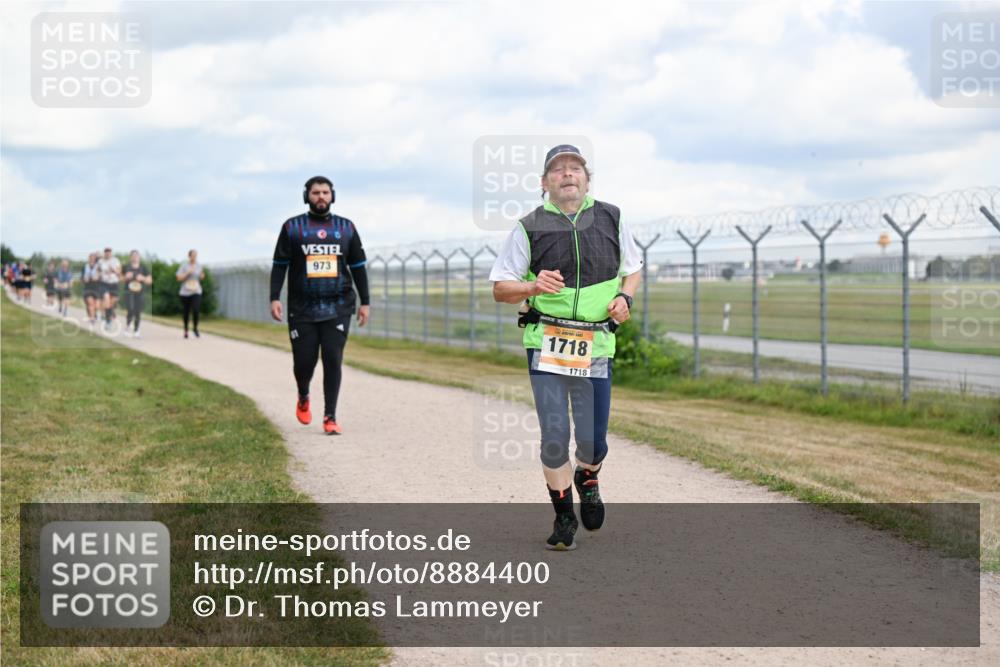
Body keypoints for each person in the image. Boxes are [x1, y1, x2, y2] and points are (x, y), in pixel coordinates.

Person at [490, 144, 642, 551]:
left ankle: (587, 477)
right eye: (558, 170)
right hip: (546, 342)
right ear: (545, 182)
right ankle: (563, 516)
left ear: (587, 180)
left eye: (576, 168)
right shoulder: (528, 227)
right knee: (554, 435)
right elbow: (500, 289)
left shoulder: (612, 217)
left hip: (596, 343)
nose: (568, 174)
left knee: (593, 441)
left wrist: (625, 297)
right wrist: (532, 286)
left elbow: (632, 270)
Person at [270, 175, 370, 435]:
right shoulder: (292, 227)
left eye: (325, 192)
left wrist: (365, 302)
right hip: (302, 307)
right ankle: (303, 394)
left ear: (332, 195)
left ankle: (330, 416)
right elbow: (279, 266)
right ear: (307, 196)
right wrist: (274, 297)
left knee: (333, 359)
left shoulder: (346, 228)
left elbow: (358, 267)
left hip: (338, 305)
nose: (321, 197)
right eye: (316, 193)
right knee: (304, 363)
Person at [175, 249, 205, 338]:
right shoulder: (184, 265)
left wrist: (202, 276)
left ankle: (195, 328)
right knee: (186, 311)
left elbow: (201, 276)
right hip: (185, 292)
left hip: (196, 290)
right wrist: (188, 272)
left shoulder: (199, 265)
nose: (194, 257)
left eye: (196, 255)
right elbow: (178, 278)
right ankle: (186, 329)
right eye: (193, 255)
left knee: (196, 309)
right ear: (189, 256)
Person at [123, 250, 152, 337]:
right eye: (133, 255)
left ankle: (136, 330)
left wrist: (143, 278)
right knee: (130, 309)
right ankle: (127, 327)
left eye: (136, 255)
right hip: (129, 291)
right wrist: (126, 277)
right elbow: (119, 278)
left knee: (138, 311)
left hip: (140, 292)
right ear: (130, 257)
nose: (135, 257)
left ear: (139, 257)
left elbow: (150, 281)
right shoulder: (126, 267)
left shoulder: (143, 268)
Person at [96, 247, 121, 330]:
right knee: (106, 300)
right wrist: (99, 275)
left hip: (114, 283)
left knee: (112, 303)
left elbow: (119, 272)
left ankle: (109, 314)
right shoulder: (100, 261)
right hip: (104, 283)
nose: (107, 253)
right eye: (106, 252)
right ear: (104, 253)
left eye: (109, 252)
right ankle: (108, 321)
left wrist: (113, 270)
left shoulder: (116, 261)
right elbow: (97, 271)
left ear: (111, 253)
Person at [81, 252, 102, 327]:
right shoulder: (85, 267)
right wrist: (84, 279)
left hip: (97, 288)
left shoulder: (99, 266)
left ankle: (94, 315)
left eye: (93, 258)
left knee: (97, 306)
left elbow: (101, 276)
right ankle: (92, 319)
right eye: (91, 258)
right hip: (88, 288)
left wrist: (98, 277)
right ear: (89, 259)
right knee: (90, 304)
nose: (92, 259)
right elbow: (82, 278)